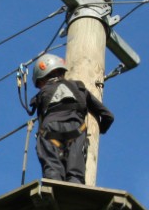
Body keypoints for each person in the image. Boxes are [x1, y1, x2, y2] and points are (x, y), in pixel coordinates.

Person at [24, 53, 114, 183]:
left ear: (42, 79)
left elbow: (41, 122)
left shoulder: (41, 95)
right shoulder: (79, 88)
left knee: (52, 172)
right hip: (76, 131)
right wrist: (100, 130)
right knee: (75, 174)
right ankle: (74, 188)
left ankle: (53, 186)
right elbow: (108, 116)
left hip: (50, 131)